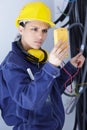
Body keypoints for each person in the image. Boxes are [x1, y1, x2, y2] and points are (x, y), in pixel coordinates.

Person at [0, 1, 85, 130]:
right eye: (34, 29)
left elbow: (52, 90)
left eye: (44, 30)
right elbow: (28, 100)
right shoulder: (12, 65)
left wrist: (71, 67)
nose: (40, 36)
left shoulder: (37, 58)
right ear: (21, 28)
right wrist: (50, 67)